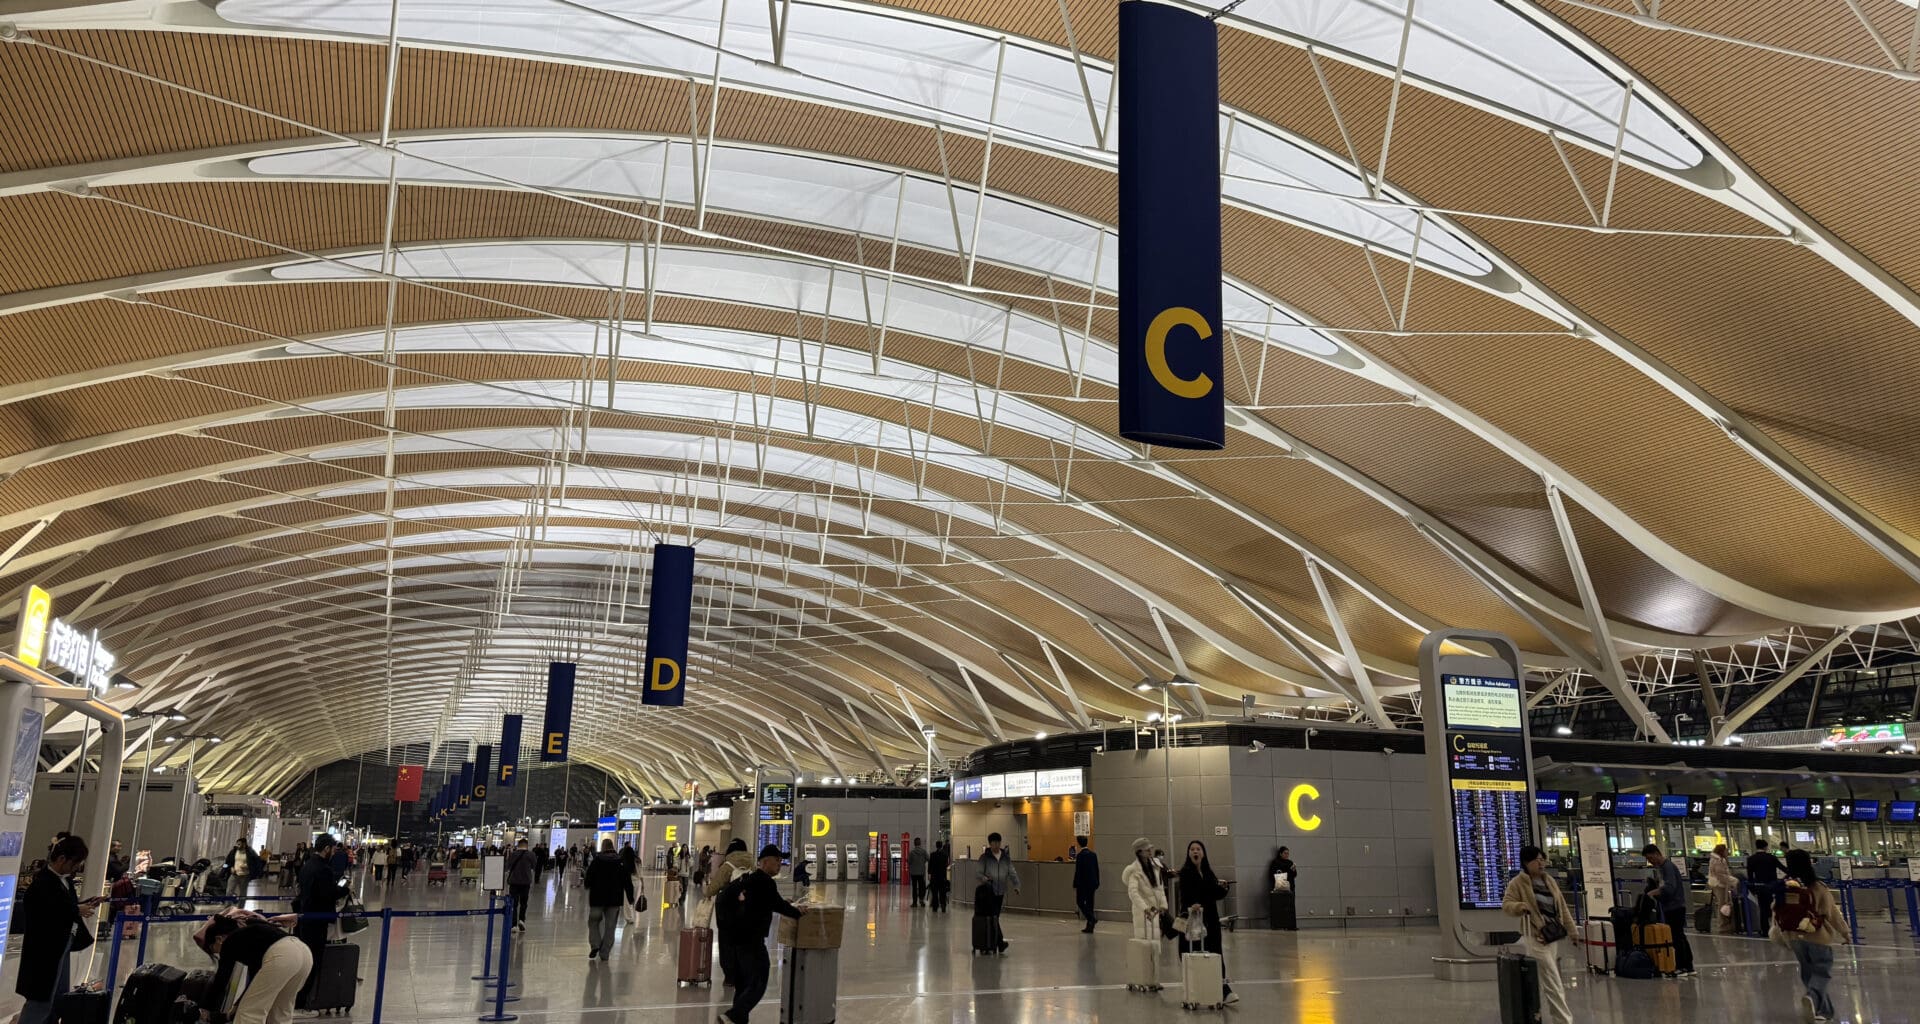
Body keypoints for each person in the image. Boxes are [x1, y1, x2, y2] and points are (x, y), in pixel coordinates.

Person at [717, 845, 808, 1024]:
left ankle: (739, 1019)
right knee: (760, 978)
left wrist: (785, 904)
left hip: (737, 938)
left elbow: (770, 902)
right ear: (765, 862)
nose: (779, 865)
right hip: (752, 939)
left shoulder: (751, 879)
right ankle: (733, 1015)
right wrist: (798, 912)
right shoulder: (765, 881)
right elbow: (778, 905)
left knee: (744, 981)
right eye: (776, 860)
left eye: (781, 861)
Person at [16, 835, 99, 1024]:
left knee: (57, 998)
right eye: (75, 863)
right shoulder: (41, 883)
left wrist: (84, 905)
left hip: (61, 946)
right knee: (40, 1001)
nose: (76, 868)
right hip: (43, 952)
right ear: (62, 859)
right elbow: (44, 912)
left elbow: (63, 905)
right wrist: (76, 909)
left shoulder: (65, 881)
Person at [197, 909, 313, 1024]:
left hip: (283, 956)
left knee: (249, 1014)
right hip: (303, 952)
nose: (218, 954)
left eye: (213, 949)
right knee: (279, 1011)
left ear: (219, 939)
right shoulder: (250, 935)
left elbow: (222, 979)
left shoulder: (230, 941)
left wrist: (205, 1008)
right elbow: (255, 979)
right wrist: (237, 1004)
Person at [1502, 845, 1575, 1024]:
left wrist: (1572, 930)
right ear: (1527, 862)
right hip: (1535, 938)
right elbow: (1507, 905)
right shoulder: (1518, 883)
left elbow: (1562, 907)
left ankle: (1548, 1016)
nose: (1542, 863)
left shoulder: (1549, 880)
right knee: (1553, 982)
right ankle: (1565, 1020)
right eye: (1538, 860)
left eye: (1543, 859)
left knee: (1549, 982)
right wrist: (1520, 907)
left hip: (1552, 937)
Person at [1774, 848, 1846, 1022]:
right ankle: (1812, 998)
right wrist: (1845, 932)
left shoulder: (1785, 886)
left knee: (1809, 974)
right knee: (1822, 972)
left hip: (1793, 936)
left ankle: (1823, 1012)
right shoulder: (1816, 886)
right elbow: (1832, 913)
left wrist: (1780, 933)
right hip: (1817, 935)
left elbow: (1775, 909)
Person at [1177, 840, 1237, 1005]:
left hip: (1211, 919)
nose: (1195, 851)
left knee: (1217, 952)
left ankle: (1224, 990)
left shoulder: (1208, 872)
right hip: (1195, 919)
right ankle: (1200, 988)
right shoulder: (1185, 873)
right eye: (1192, 849)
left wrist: (1224, 888)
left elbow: (1215, 894)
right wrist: (1192, 904)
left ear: (1203, 853)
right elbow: (1185, 895)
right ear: (1189, 853)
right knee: (1197, 952)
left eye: (1198, 849)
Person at [294, 836, 345, 1006]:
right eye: (333, 849)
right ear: (326, 849)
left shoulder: (308, 864)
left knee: (303, 959)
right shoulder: (324, 868)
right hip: (317, 919)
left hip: (304, 917)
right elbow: (327, 893)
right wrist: (344, 890)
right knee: (312, 961)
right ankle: (301, 1002)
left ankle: (297, 998)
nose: (334, 853)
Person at [705, 838, 754, 988]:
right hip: (747, 910)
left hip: (727, 911)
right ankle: (744, 972)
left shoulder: (728, 865)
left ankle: (730, 977)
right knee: (744, 941)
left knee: (726, 943)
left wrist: (707, 890)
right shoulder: (752, 865)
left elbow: (712, 889)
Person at [1643, 844, 1696, 977]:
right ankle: (1688, 966)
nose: (1650, 862)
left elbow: (1670, 887)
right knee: (1679, 936)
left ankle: (1683, 966)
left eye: (1650, 858)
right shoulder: (1662, 868)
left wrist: (1653, 893)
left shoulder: (1668, 867)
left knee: (1676, 937)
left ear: (1656, 853)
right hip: (1671, 906)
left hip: (1675, 907)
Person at [583, 838, 633, 961]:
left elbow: (589, 876)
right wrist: (630, 897)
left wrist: (587, 885)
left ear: (603, 847)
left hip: (597, 898)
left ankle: (595, 944)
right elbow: (627, 881)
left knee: (593, 921)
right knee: (610, 927)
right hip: (614, 899)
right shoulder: (620, 862)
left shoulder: (597, 861)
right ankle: (604, 953)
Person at [975, 832, 1020, 954]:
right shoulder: (984, 858)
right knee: (994, 917)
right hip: (989, 892)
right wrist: (985, 879)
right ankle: (999, 943)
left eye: (998, 842)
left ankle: (995, 943)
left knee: (995, 917)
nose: (996, 845)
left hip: (1000, 892)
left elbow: (1012, 871)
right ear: (990, 844)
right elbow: (978, 873)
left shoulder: (1005, 857)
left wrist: (1016, 885)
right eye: (993, 843)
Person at [1123, 837, 1168, 942]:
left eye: (1150, 849)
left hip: (1155, 912)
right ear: (1139, 852)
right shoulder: (1134, 870)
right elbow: (1133, 892)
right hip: (1142, 914)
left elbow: (1160, 888)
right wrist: (1144, 908)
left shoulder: (1155, 867)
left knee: (1155, 946)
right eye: (1147, 850)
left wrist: (1163, 905)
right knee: (1143, 946)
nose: (1150, 851)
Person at [1748, 838, 1783, 933]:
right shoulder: (1771, 858)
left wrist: (1753, 889)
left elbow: (1750, 876)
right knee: (1774, 907)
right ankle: (1776, 929)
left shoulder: (1751, 859)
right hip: (1773, 886)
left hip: (1760, 887)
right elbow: (1783, 868)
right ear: (1766, 847)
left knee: (1763, 908)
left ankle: (1765, 930)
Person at [506, 839, 537, 931]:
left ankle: (513, 924)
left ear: (518, 845)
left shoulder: (513, 854)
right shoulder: (531, 854)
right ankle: (522, 920)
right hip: (525, 882)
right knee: (524, 903)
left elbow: (508, 866)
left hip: (514, 882)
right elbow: (534, 866)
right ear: (526, 845)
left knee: (514, 904)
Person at [1072, 835, 1101, 933]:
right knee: (1090, 904)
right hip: (1092, 883)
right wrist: (1097, 881)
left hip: (1082, 884)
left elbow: (1078, 871)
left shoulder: (1080, 856)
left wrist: (1075, 883)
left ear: (1079, 843)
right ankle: (1090, 926)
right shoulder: (1093, 855)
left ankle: (1091, 918)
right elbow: (1097, 869)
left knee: (1080, 901)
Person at [1708, 843, 1737, 933]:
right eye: (1726, 850)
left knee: (1723, 904)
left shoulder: (1717, 859)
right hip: (1720, 884)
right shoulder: (1718, 860)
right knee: (1723, 904)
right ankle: (1723, 926)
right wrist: (1732, 880)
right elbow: (1720, 874)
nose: (1727, 852)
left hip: (1718, 884)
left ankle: (1725, 925)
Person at [928, 841, 952, 913]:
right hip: (942, 877)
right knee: (942, 892)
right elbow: (947, 865)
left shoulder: (932, 855)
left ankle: (935, 907)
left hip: (934, 877)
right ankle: (943, 906)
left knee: (935, 892)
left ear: (936, 846)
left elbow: (930, 866)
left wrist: (929, 874)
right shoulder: (945, 855)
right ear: (941, 846)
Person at [908, 837, 929, 907]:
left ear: (914, 844)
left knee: (914, 888)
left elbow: (909, 861)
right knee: (921, 887)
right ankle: (921, 901)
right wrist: (922, 862)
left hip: (913, 873)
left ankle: (914, 902)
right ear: (920, 843)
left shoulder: (911, 852)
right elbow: (928, 859)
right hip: (921, 872)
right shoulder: (924, 851)